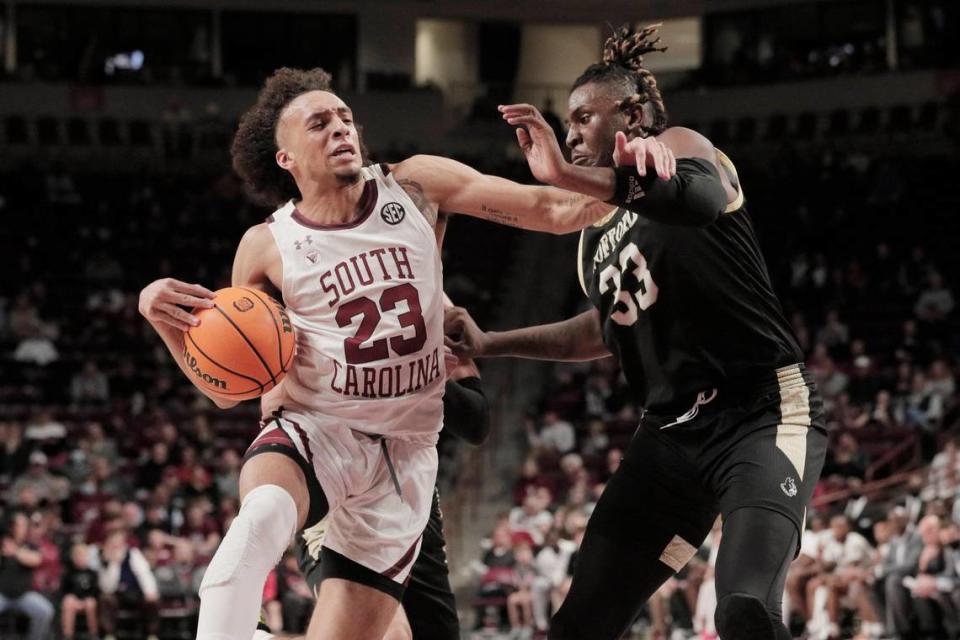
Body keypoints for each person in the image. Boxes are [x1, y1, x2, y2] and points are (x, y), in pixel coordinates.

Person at [137, 67, 666, 640]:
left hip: (407, 454)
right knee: (247, 542)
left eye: (344, 118)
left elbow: (558, 211)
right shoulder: (266, 246)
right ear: (285, 158)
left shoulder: (415, 185)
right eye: (319, 123)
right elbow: (227, 389)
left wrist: (641, 174)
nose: (341, 129)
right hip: (319, 430)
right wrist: (163, 320)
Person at [445, 23, 828, 640]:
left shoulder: (680, 143)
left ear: (634, 113)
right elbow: (602, 328)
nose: (568, 135)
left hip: (760, 412)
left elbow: (699, 201)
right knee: (577, 627)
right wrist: (493, 342)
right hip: (669, 440)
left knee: (744, 609)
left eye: (581, 118)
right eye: (566, 124)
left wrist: (570, 178)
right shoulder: (593, 236)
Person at [0, 512, 55, 640]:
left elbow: (35, 560)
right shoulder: (3, 543)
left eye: (24, 525)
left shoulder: (31, 545)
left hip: (24, 595)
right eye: (18, 525)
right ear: (11, 526)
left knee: (46, 611)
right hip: (2, 594)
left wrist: (15, 551)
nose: (21, 528)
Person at [60, 542, 100, 640]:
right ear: (73, 557)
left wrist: (85, 601)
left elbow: (95, 591)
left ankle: (93, 634)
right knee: (68, 601)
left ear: (88, 557)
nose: (80, 558)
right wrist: (75, 601)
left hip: (88, 601)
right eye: (77, 555)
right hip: (74, 602)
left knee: (91, 603)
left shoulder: (93, 573)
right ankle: (67, 635)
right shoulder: (68, 573)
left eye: (82, 555)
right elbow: (65, 591)